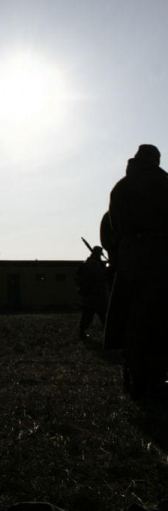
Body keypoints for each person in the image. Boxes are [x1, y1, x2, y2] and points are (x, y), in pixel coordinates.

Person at [105, 144, 168, 401]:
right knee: (159, 320)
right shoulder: (164, 182)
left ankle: (134, 375)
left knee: (132, 319)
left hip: (130, 259)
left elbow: (113, 227)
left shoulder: (120, 188)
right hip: (161, 259)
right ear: (156, 160)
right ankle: (155, 378)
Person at [75, 246, 109, 339]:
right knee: (96, 313)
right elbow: (99, 276)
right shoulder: (93, 264)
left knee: (90, 313)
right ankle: (83, 332)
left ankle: (83, 332)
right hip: (95, 292)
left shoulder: (91, 262)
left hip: (94, 292)